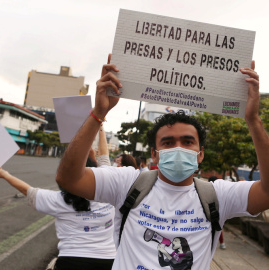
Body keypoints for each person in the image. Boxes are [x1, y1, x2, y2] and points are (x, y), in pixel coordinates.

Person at [56, 58, 269, 269]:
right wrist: (99, 113)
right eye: (168, 143)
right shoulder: (127, 183)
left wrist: (253, 120)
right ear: (154, 155)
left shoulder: (219, 197)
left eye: (187, 142)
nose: (178, 148)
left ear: (200, 154)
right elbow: (68, 179)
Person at [0, 126, 116, 270]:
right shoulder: (108, 189)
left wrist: (5, 174)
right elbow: (104, 157)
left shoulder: (59, 201)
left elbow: (29, 191)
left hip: (71, 261)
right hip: (109, 261)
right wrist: (100, 126)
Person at [208, 176, 226, 249]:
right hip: (217, 213)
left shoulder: (209, 190)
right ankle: (222, 243)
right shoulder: (220, 190)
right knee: (218, 228)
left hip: (211, 212)